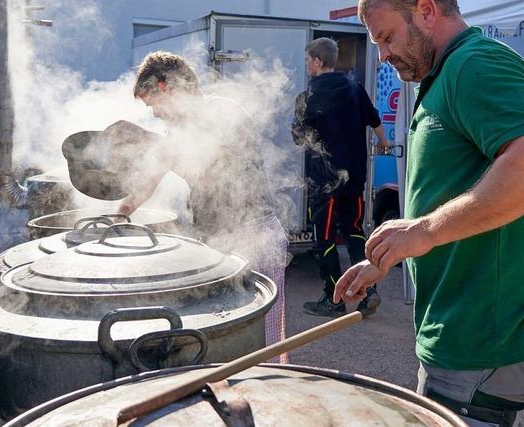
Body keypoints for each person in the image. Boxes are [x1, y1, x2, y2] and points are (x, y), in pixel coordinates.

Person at [333, 1, 524, 425]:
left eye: (385, 37)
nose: (381, 54)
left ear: (426, 9)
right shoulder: (443, 75)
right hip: (456, 341)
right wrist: (389, 253)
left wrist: (425, 230)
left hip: (481, 348)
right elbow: (452, 195)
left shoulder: (475, 64)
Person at [108, 51, 290, 362]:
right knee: (224, 349)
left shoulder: (221, 112)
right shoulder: (179, 133)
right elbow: (150, 178)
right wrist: (118, 217)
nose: (154, 114)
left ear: (165, 88)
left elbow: (209, 161)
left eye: (152, 105)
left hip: (253, 239)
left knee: (262, 351)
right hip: (222, 244)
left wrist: (145, 138)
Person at [292, 37, 390, 318]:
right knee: (355, 230)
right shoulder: (354, 86)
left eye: (308, 60)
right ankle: (368, 290)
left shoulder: (308, 96)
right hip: (355, 177)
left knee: (324, 236)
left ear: (318, 61)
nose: (307, 65)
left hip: (325, 180)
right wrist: (383, 143)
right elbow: (375, 120)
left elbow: (299, 138)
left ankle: (333, 298)